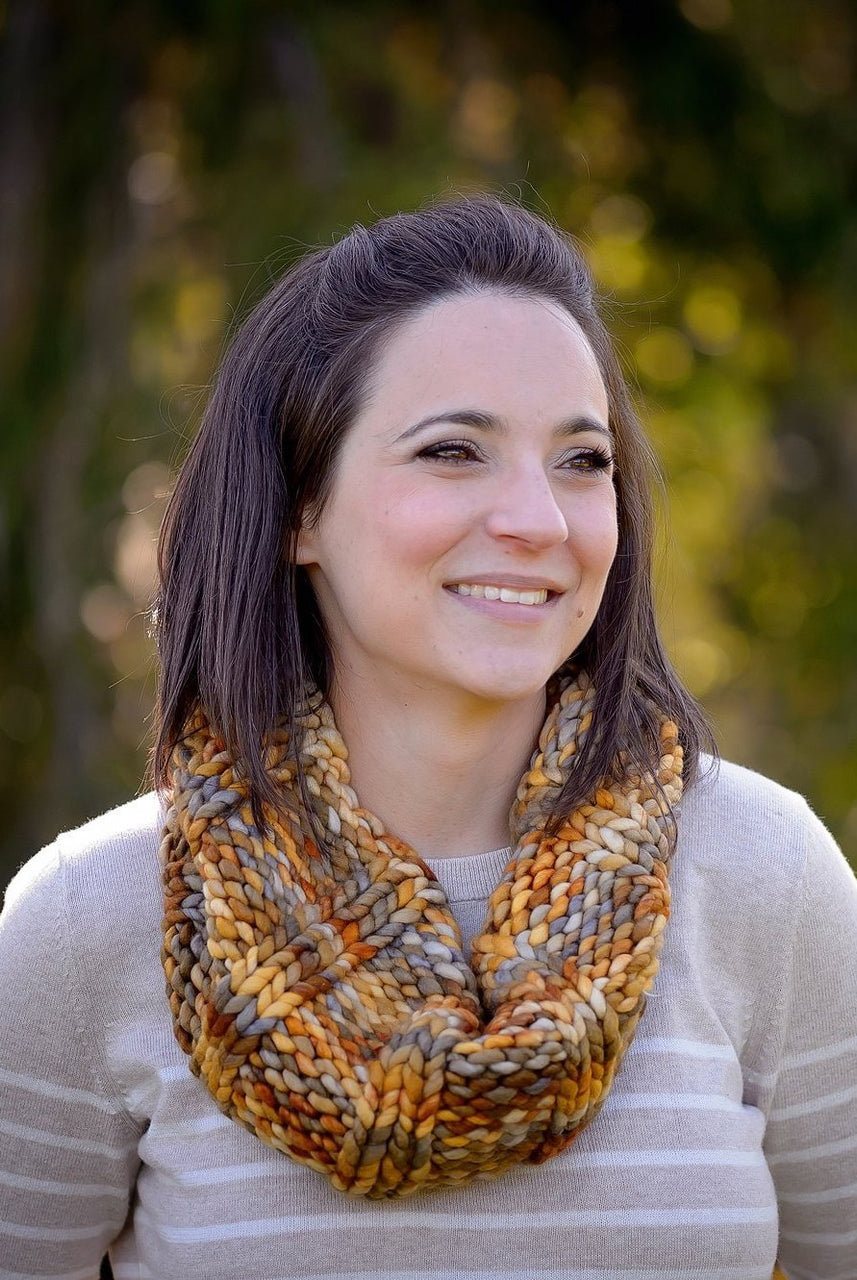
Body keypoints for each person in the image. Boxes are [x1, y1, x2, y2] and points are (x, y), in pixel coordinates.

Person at [1, 196, 855, 1280]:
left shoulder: (760, 874)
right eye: (453, 450)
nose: (538, 520)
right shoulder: (88, 920)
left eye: (580, 461)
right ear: (297, 509)